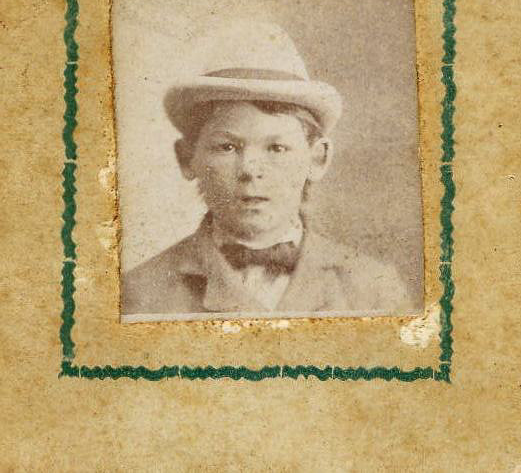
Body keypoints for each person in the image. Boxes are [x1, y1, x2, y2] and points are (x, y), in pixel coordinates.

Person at [121, 21, 412, 319]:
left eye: (277, 148)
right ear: (187, 158)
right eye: (227, 147)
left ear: (317, 159)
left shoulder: (374, 289)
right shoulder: (139, 295)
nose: (250, 169)